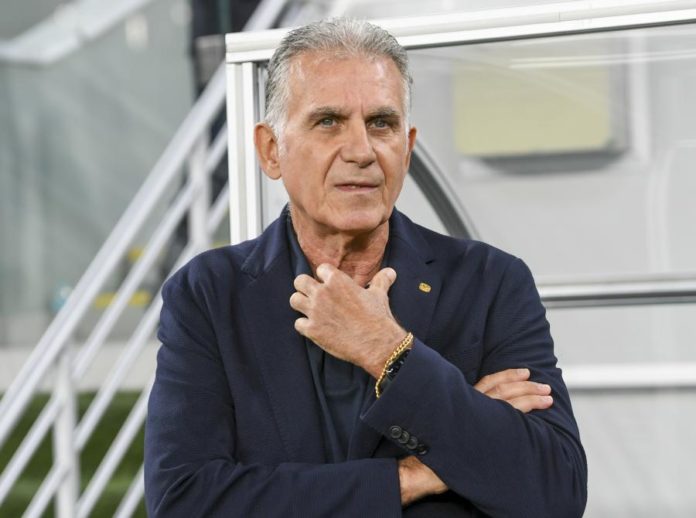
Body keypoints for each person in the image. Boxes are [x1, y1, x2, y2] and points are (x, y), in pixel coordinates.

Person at [145, 18, 587, 517]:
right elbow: (185, 501)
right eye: (328, 121)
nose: (361, 151)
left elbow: (556, 490)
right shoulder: (208, 294)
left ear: (407, 146)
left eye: (381, 123)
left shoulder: (491, 282)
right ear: (271, 151)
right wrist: (412, 476)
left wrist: (387, 351)